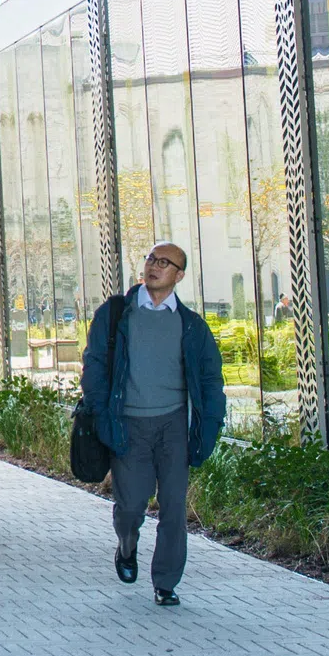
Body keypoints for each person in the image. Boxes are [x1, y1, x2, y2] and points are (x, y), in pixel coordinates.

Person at [80, 243, 228, 607]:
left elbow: (211, 381)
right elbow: (94, 365)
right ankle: (127, 545)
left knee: (174, 506)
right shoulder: (116, 314)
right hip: (128, 424)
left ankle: (165, 582)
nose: (154, 267)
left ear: (179, 275)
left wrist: (209, 428)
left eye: (164, 263)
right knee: (130, 506)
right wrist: (101, 413)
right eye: (150, 259)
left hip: (174, 425)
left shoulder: (191, 326)